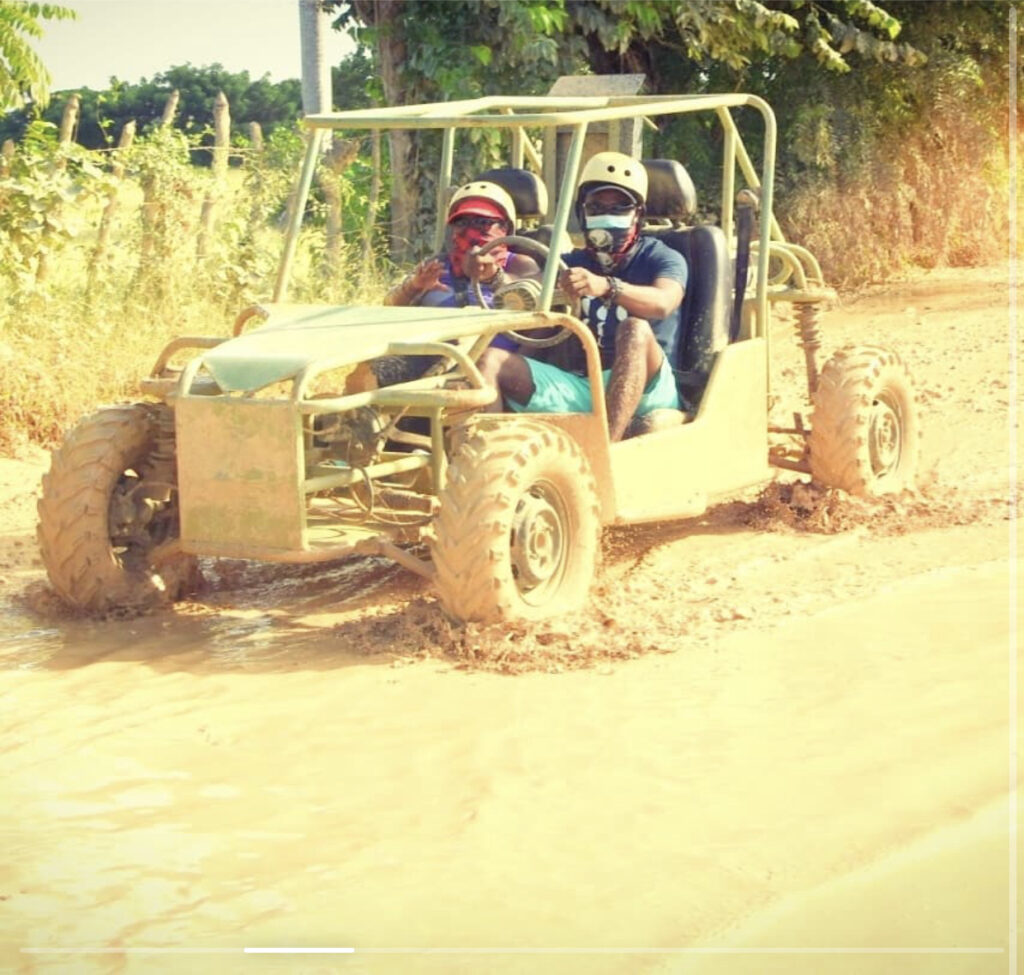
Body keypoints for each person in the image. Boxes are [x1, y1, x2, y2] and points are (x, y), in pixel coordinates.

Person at [477, 152, 687, 442]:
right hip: (582, 384)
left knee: (635, 328)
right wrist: (495, 278)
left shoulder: (663, 256)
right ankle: (489, 456)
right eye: (596, 206)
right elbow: (531, 289)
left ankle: (606, 451)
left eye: (619, 206)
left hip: (649, 386)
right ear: (582, 212)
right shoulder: (570, 262)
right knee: (490, 361)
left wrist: (607, 287)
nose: (607, 214)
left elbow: (663, 302)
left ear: (637, 213)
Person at [384, 180, 539, 318]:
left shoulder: (520, 264)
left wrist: (494, 277)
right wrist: (413, 286)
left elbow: (538, 303)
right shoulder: (436, 266)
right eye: (461, 222)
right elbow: (388, 306)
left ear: (505, 227)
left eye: (483, 222)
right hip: (437, 345)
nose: (471, 230)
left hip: (493, 346)